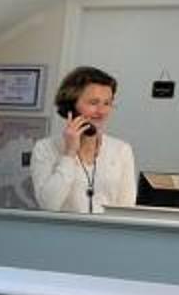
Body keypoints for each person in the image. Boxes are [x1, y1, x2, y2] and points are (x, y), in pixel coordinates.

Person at [30, 67, 137, 213]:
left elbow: (126, 208)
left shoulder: (121, 150)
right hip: (62, 227)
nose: (101, 111)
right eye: (93, 102)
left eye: (107, 103)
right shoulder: (44, 148)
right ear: (71, 106)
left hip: (107, 227)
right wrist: (69, 153)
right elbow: (48, 205)